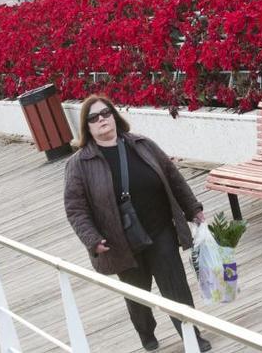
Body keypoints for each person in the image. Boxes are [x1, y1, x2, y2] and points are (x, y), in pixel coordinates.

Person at [64, 95, 212, 352]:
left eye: (106, 113)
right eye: (93, 117)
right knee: (137, 295)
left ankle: (192, 337)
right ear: (86, 126)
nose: (101, 120)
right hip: (120, 241)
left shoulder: (141, 144)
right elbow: (76, 209)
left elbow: (173, 177)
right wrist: (93, 239)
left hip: (160, 230)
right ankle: (146, 332)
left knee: (176, 290)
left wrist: (194, 210)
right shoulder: (79, 164)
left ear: (114, 115)